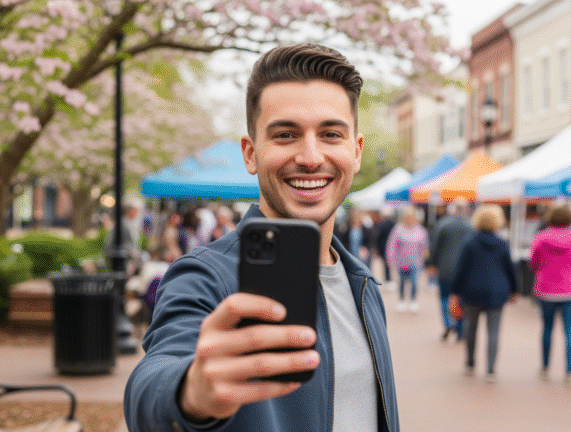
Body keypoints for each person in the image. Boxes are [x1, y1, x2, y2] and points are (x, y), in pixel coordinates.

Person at [124, 44, 399, 432]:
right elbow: (152, 383)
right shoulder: (204, 278)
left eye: (330, 134)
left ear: (355, 152)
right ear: (251, 153)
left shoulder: (363, 285)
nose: (310, 156)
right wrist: (191, 392)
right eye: (286, 134)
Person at [451, 205, 517, 382]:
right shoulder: (502, 243)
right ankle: (490, 370)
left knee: (470, 328)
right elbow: (511, 269)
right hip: (497, 291)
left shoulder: (469, 242)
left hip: (472, 291)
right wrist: (514, 290)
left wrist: (455, 291)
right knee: (493, 331)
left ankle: (470, 363)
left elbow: (461, 269)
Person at [529, 204, 571, 383]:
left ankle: (545, 367)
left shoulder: (541, 237)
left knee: (547, 328)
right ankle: (569, 371)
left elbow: (533, 263)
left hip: (547, 288)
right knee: (570, 331)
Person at [428, 197, 473, 341]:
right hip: (465, 270)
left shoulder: (443, 224)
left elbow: (434, 247)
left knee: (444, 297)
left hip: (445, 268)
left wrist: (432, 265)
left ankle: (448, 323)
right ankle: (460, 330)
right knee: (462, 299)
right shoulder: (471, 225)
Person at [385, 206, 428, 312]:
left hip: (416, 262)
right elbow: (392, 245)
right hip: (401, 261)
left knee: (414, 282)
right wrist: (390, 258)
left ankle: (413, 300)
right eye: (408, 218)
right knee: (402, 282)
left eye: (412, 218)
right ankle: (402, 300)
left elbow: (424, 245)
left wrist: (426, 255)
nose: (410, 220)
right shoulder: (398, 229)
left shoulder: (420, 230)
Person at [375, 206, 397, 288]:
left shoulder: (381, 225)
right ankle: (389, 279)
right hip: (391, 247)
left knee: (386, 265)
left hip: (383, 247)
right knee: (390, 264)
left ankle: (388, 279)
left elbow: (378, 237)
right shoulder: (394, 224)